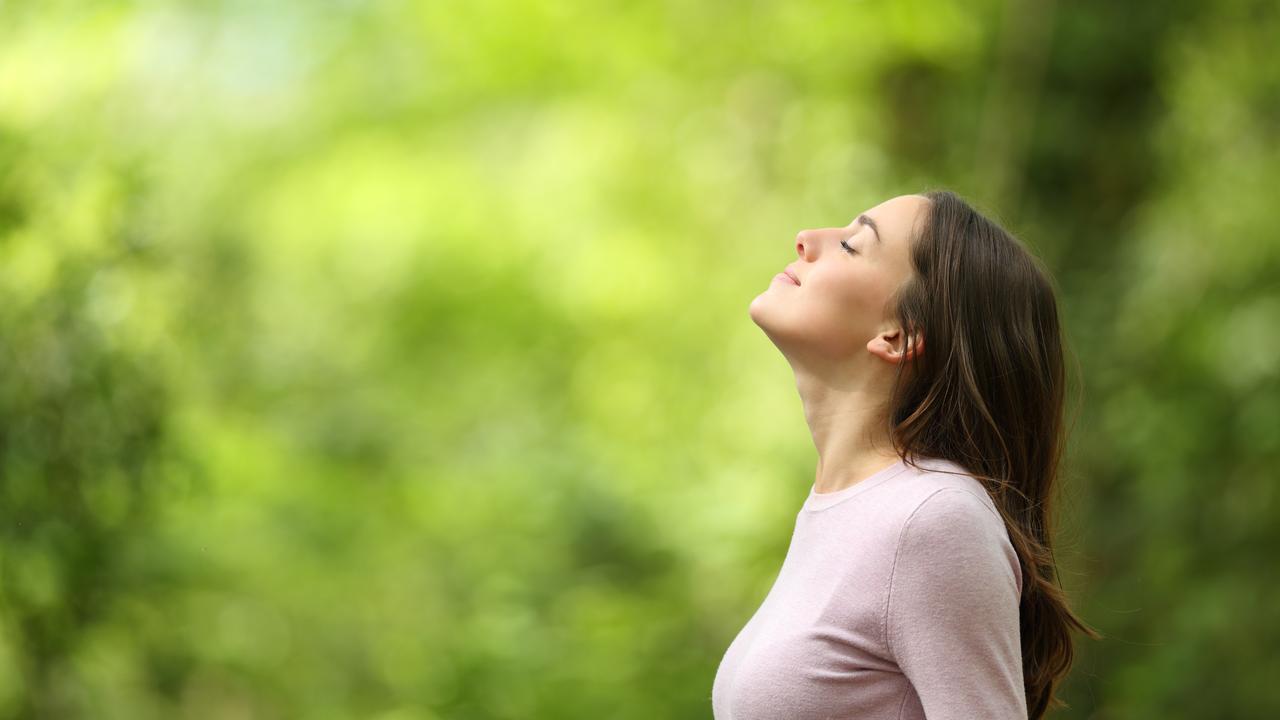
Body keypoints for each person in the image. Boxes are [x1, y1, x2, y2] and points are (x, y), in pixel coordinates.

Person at [711, 190, 1101, 720]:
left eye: (851, 245)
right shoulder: (849, 511)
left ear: (899, 334)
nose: (806, 240)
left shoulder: (932, 519)